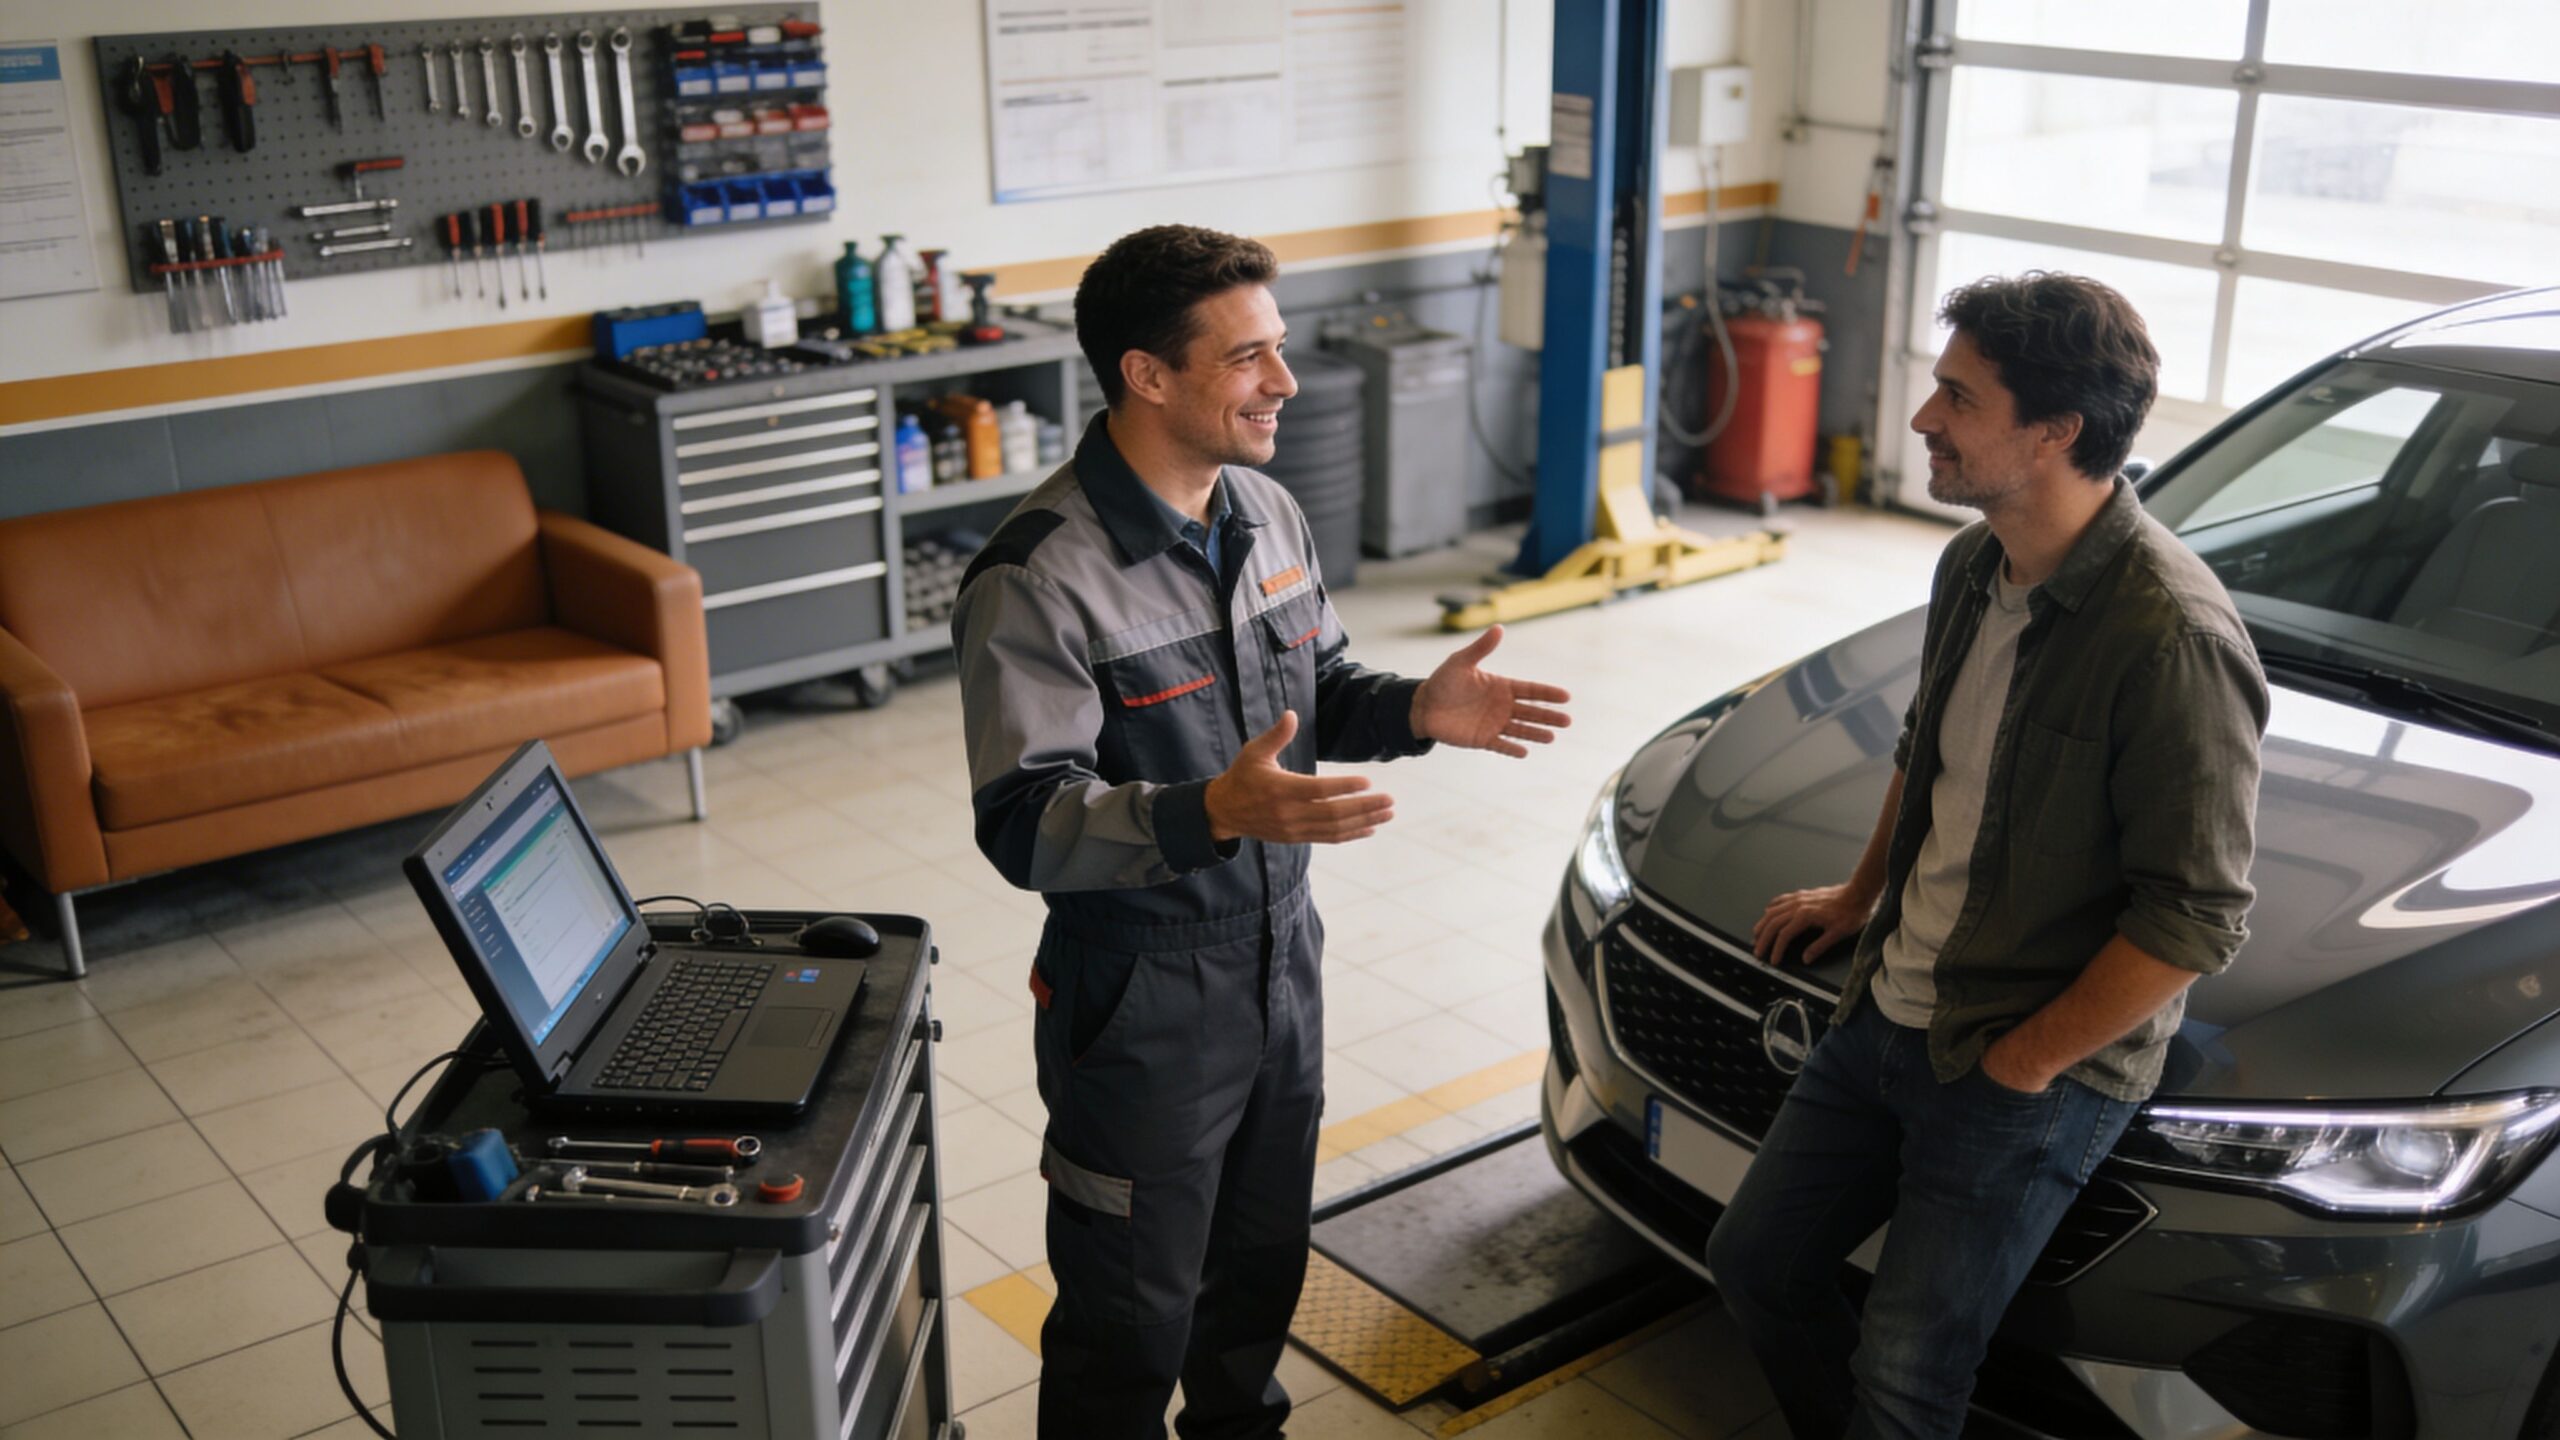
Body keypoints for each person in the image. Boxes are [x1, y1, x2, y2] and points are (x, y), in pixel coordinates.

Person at [951, 223, 1573, 1439]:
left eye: (1277, 350)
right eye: (1248, 359)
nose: (1282, 383)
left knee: (1255, 1284)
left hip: (1282, 964)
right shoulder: (1040, 577)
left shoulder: (1267, 512)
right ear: (1147, 374)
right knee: (1128, 1321)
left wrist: (1411, 710)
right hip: (1137, 996)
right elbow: (1023, 827)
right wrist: (1206, 814)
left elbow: (1318, 689)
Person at [1707, 272, 2270, 1440]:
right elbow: (1930, 752)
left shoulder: (2168, 637)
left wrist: (2022, 1066)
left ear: (2056, 431)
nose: (1921, 419)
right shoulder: (1973, 566)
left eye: (1956, 398)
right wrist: (1863, 894)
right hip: (1886, 1010)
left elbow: (2193, 918)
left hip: (2017, 1067)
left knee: (1910, 1373)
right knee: (1754, 1260)